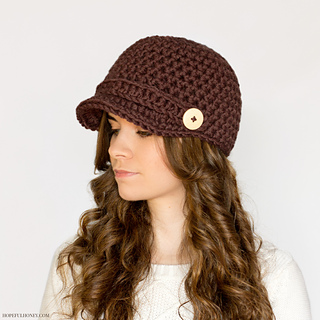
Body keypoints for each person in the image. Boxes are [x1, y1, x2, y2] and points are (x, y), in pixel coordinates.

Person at [40, 36, 311, 320]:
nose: (116, 149)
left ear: (196, 144)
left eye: (144, 132)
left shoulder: (271, 276)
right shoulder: (80, 265)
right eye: (115, 128)